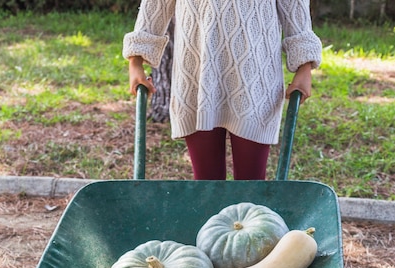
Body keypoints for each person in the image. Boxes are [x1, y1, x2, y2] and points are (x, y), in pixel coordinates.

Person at [123, 0, 322, 181]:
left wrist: (305, 66)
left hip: (253, 80)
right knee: (207, 184)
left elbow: (295, 8)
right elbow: (154, 6)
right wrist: (136, 60)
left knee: (250, 184)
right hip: (196, 78)